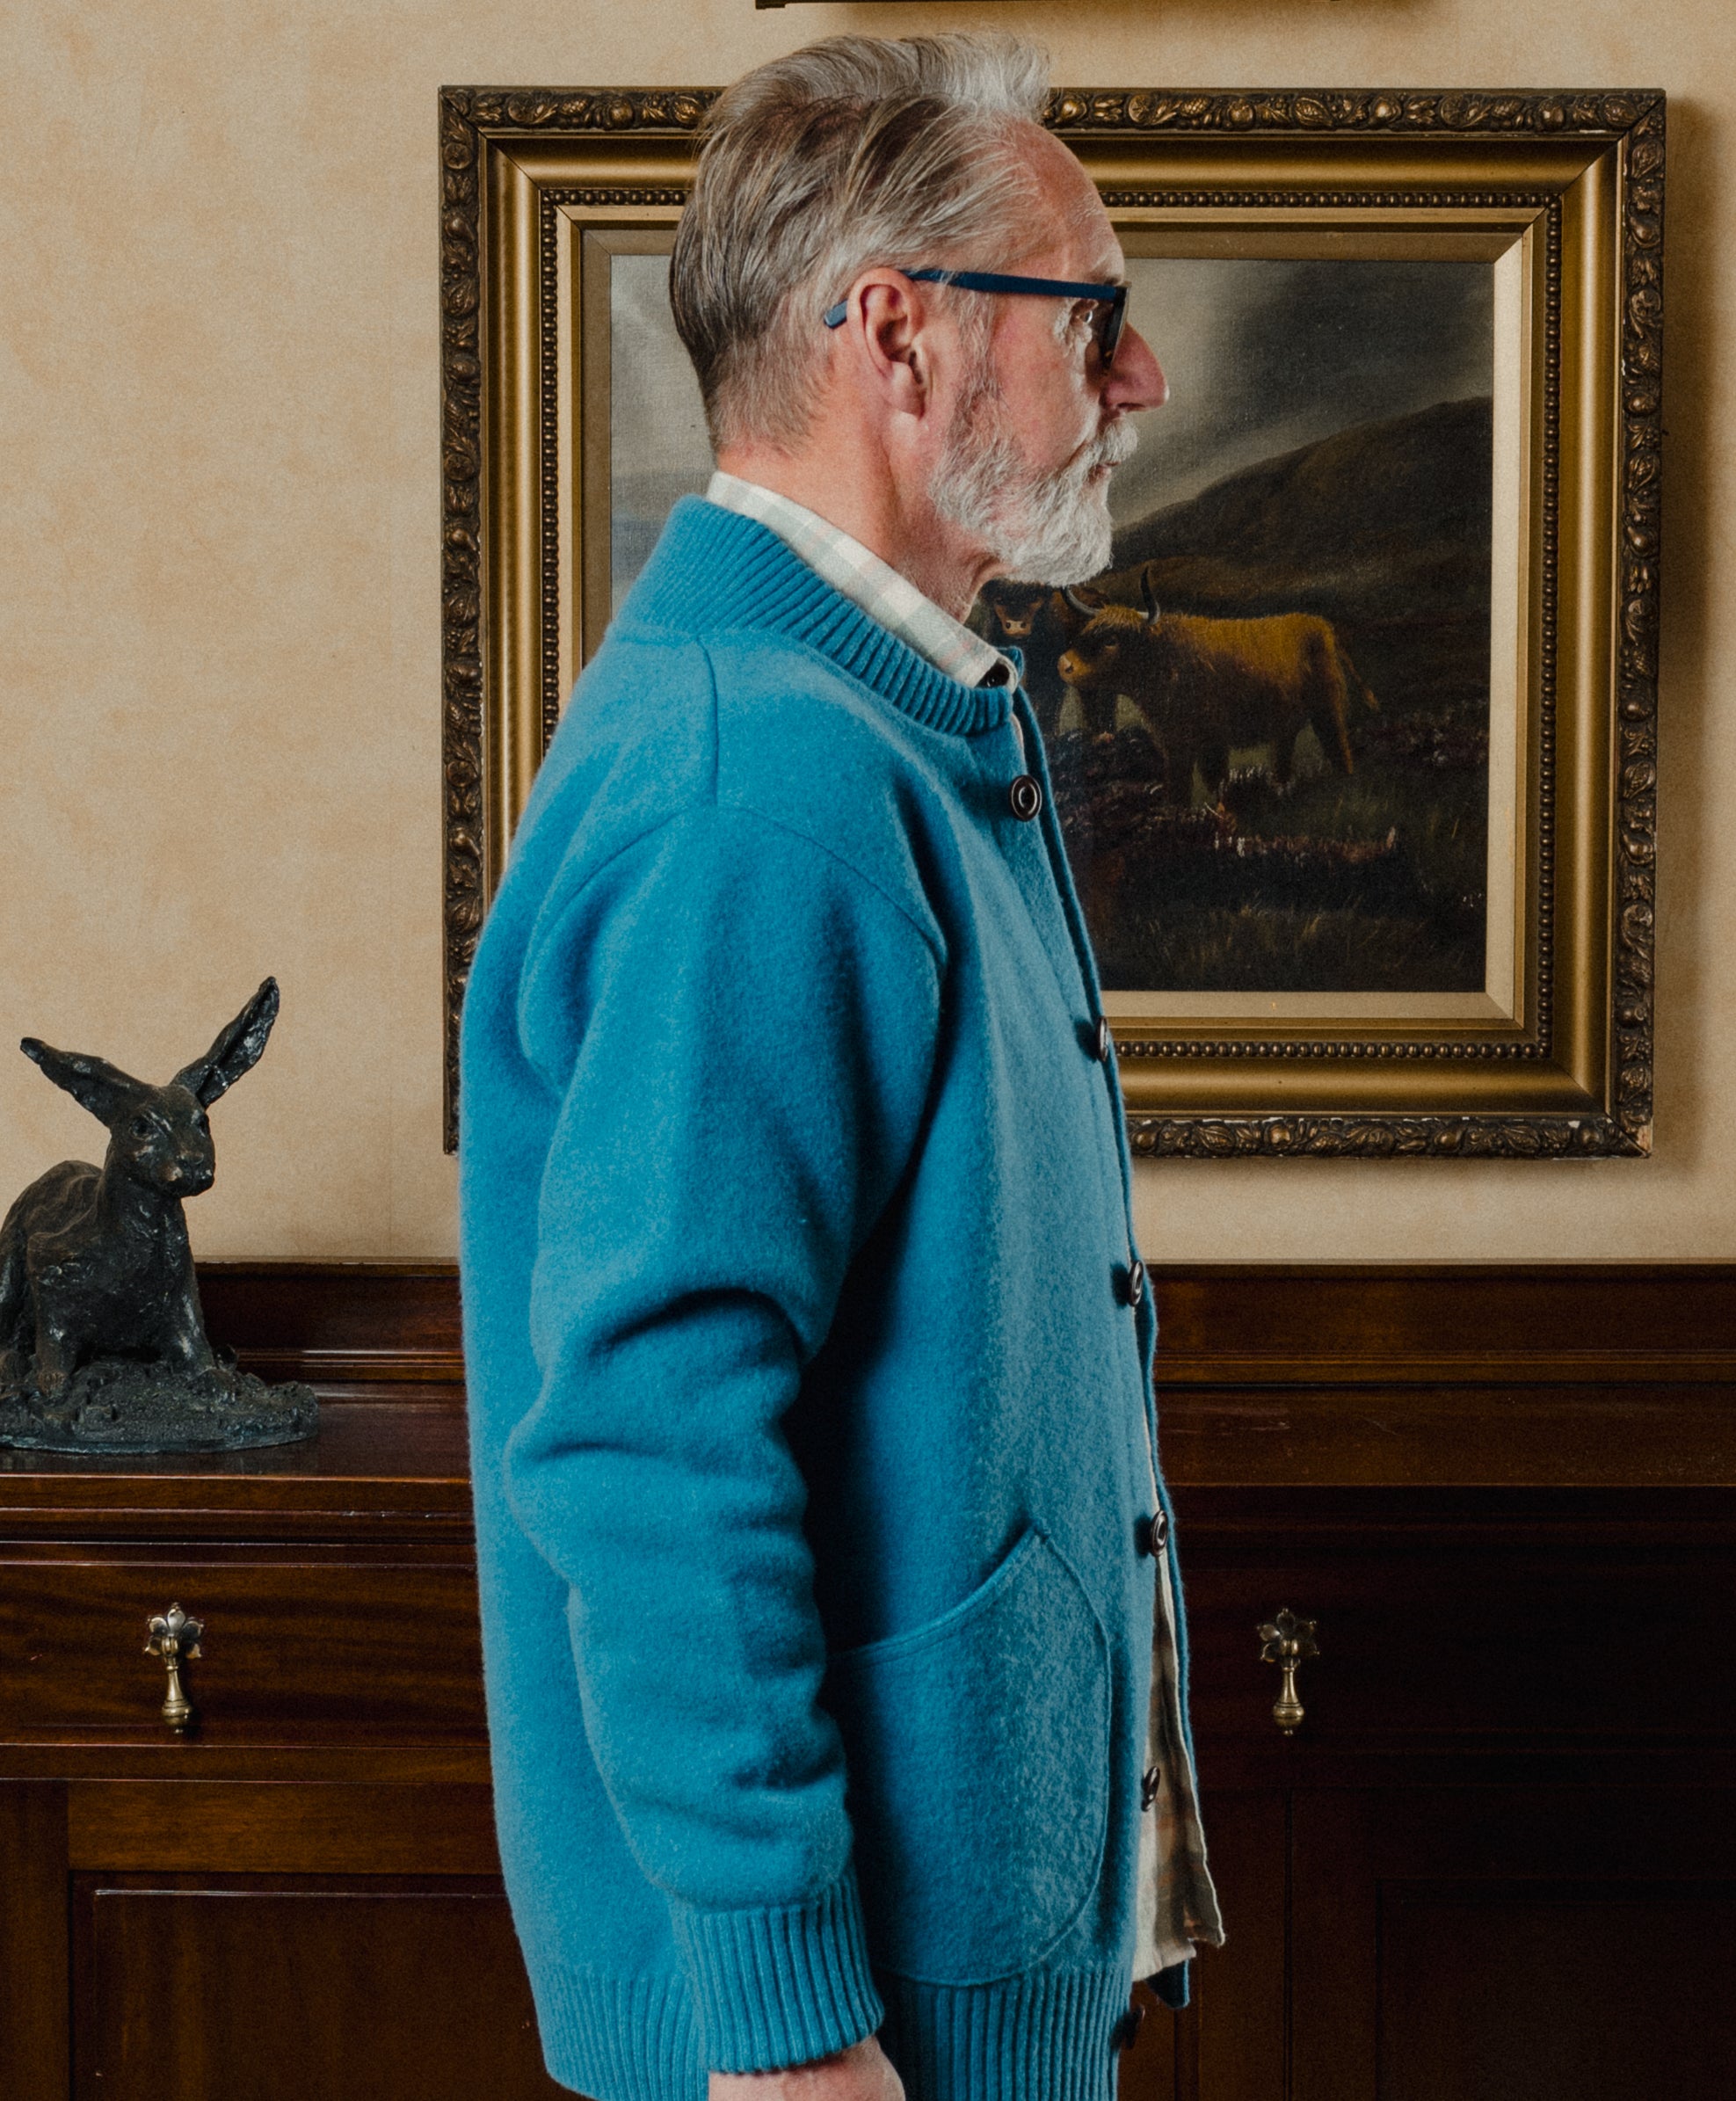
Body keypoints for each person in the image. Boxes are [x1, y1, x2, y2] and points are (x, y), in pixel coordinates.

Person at [458, 33, 1220, 2101]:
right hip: (834, 2041)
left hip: (919, 1986)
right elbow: (649, 1439)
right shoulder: (763, 781)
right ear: (899, 334)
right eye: (1097, 316)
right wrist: (789, 2027)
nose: (1136, 384)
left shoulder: (870, 721)